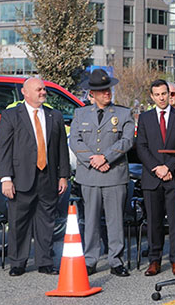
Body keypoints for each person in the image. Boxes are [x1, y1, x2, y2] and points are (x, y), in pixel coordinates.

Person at [0, 77, 69, 276]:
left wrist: (63, 175)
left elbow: (61, 147)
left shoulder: (55, 116)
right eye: (39, 89)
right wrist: (6, 179)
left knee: (46, 222)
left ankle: (44, 261)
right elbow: (4, 150)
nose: (43, 92)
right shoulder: (12, 115)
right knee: (19, 222)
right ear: (25, 92)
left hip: (48, 177)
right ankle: (18, 262)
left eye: (44, 89)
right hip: (20, 179)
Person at [70, 69, 135, 277]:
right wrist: (94, 160)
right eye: (102, 90)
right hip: (89, 174)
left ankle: (116, 260)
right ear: (92, 94)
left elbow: (126, 141)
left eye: (108, 89)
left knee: (115, 220)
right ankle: (90, 260)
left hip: (114, 174)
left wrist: (105, 158)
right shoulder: (81, 114)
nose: (107, 93)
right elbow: (75, 140)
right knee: (90, 220)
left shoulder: (123, 113)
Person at [136, 80, 175, 276]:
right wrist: (156, 168)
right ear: (152, 97)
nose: (161, 97)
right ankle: (154, 260)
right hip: (152, 178)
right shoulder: (144, 118)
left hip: (174, 177)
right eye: (157, 94)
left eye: (164, 94)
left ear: (170, 95)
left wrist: (168, 167)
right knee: (154, 222)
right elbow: (141, 146)